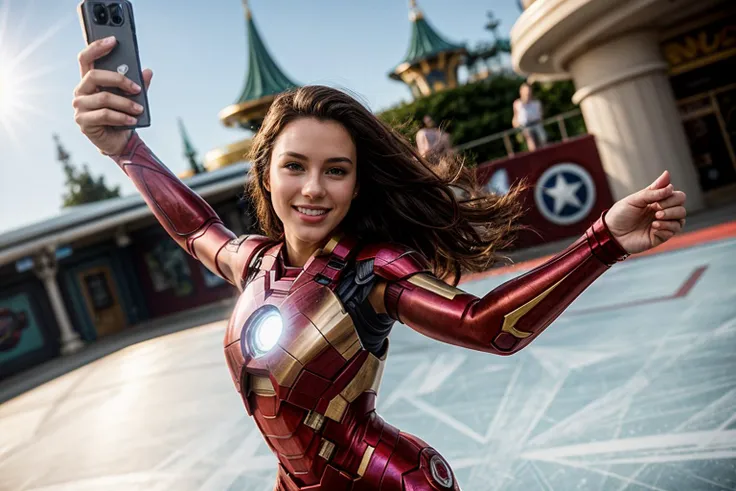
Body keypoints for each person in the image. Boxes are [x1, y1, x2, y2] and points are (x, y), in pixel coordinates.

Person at [73, 38, 688, 491]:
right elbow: (196, 228)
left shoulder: (371, 270)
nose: (313, 188)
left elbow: (484, 326)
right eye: (295, 166)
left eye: (335, 170)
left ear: (357, 185)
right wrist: (127, 148)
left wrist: (601, 242)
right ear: (265, 173)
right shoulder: (254, 262)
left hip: (390, 480)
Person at [512, 83, 547, 151]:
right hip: (525, 126)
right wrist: (516, 127)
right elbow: (515, 118)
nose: (527, 93)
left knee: (543, 138)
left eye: (528, 91)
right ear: (521, 92)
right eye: (525, 91)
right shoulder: (517, 103)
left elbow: (541, 115)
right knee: (530, 140)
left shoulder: (536, 102)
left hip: (536, 124)